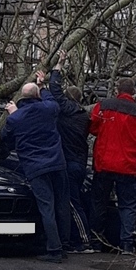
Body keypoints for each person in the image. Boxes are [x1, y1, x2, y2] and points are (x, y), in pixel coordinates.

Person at [0, 74, 71, 263]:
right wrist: (43, 85)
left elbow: (4, 137)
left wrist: (13, 114)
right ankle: (64, 244)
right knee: (62, 204)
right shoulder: (49, 109)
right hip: (57, 162)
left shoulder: (16, 118)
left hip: (35, 166)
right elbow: (51, 99)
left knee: (46, 207)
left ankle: (54, 249)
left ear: (22, 98)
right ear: (37, 95)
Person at [88, 77, 136, 255]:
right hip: (127, 165)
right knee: (128, 205)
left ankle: (96, 241)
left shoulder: (104, 106)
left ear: (117, 89)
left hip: (104, 162)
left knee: (98, 202)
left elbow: (93, 127)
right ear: (133, 92)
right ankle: (127, 244)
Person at [48, 50, 93, 254]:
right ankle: (73, 240)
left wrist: (59, 66)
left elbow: (55, 91)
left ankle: (84, 242)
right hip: (79, 162)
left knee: (73, 204)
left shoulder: (67, 111)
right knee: (72, 203)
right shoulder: (83, 115)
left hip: (70, 163)